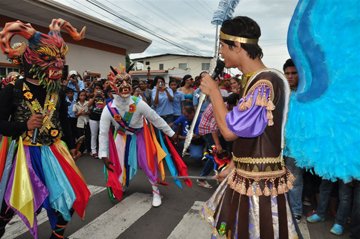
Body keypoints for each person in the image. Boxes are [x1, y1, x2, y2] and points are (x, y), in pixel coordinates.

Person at [200, 16, 298, 238]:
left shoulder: (265, 82)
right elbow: (251, 135)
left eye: (223, 46)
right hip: (246, 178)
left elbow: (229, 132)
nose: (221, 53)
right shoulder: (254, 80)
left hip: (258, 187)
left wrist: (214, 93)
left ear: (237, 46)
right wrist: (233, 165)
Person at [0, 19, 90, 239]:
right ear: (30, 57)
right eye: (49, 58)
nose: (57, 64)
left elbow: (62, 119)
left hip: (55, 152)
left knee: (66, 205)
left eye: (60, 58)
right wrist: (24, 125)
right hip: (23, 154)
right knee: (7, 208)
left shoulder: (58, 90)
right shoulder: (12, 89)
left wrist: (71, 145)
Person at [99, 67, 191, 207]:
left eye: (127, 82)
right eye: (120, 83)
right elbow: (103, 133)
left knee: (148, 164)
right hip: (122, 137)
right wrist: (103, 154)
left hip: (140, 136)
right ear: (113, 86)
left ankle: (155, 191)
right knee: (119, 164)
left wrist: (171, 134)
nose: (124, 86)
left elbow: (156, 119)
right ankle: (122, 183)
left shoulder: (139, 103)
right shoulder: (108, 109)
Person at [283, 58, 303, 223]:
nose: (290, 76)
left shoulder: (306, 95)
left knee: (295, 180)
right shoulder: (281, 93)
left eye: (294, 73)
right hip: (278, 145)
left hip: (296, 147)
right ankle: (282, 207)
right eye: (287, 73)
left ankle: (296, 210)